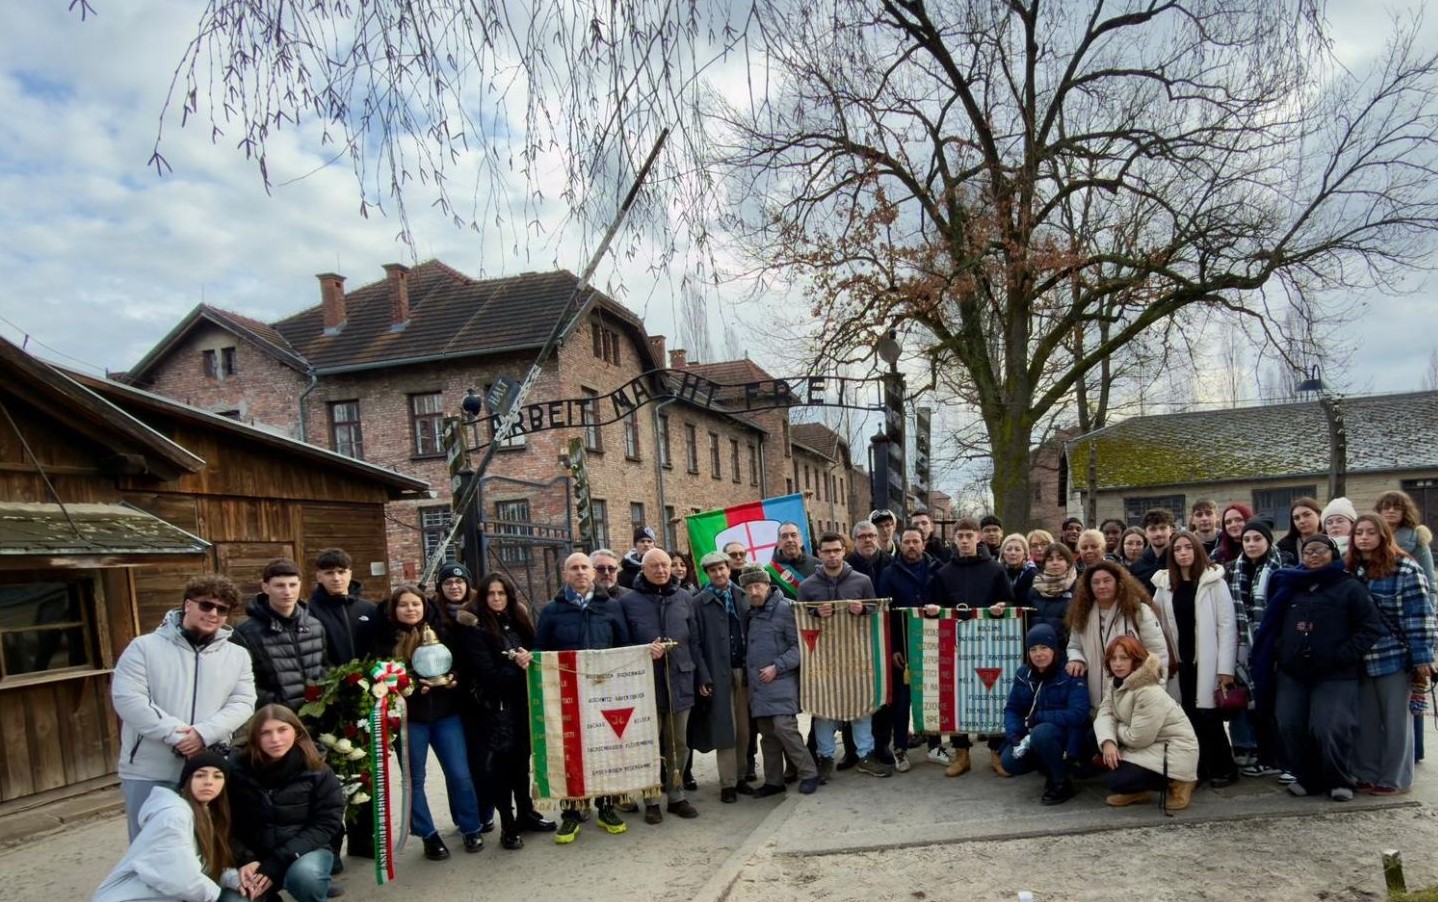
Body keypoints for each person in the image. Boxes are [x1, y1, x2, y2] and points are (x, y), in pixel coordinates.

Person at [112, 575, 256, 841]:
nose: (213, 613)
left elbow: (243, 701)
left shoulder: (237, 656)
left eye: (222, 609)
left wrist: (203, 734)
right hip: (150, 767)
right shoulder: (144, 648)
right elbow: (129, 699)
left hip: (206, 768)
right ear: (187, 604)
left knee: (205, 844)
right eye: (206, 605)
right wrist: (178, 736)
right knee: (149, 847)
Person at [1251, 534, 1385, 802]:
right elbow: (1272, 625)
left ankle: (1339, 779)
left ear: (1333, 553)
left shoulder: (1349, 586)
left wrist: (1341, 654)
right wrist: (1281, 650)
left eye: (1320, 550)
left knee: (1329, 727)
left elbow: (1371, 628)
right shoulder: (1290, 585)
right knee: (1289, 724)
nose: (1313, 555)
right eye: (1308, 550)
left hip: (1335, 673)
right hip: (1293, 673)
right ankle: (1307, 777)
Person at [373, 585, 483, 860]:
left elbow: (459, 664)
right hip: (410, 720)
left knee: (460, 773)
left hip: (446, 715)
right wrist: (407, 683)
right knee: (414, 779)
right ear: (394, 609)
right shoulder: (385, 641)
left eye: (416, 604)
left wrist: (454, 678)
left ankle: (471, 826)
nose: (411, 609)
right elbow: (379, 676)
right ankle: (427, 834)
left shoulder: (441, 632)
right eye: (404, 605)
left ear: (424, 606)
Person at [451, 573, 555, 852]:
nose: (497, 598)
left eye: (502, 593)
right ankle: (508, 825)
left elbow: (536, 648)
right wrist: (518, 665)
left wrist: (530, 656)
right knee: (501, 770)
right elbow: (487, 675)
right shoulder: (473, 627)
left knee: (522, 764)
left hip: (522, 704)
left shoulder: (517, 619)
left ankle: (526, 814)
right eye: (491, 594)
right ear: (482, 597)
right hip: (494, 709)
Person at [535, 552, 632, 844]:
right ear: (565, 575)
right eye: (573, 568)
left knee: (604, 750)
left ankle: (606, 808)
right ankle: (572, 814)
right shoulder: (552, 611)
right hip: (567, 694)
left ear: (593, 573)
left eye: (584, 568)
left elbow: (624, 647)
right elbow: (541, 651)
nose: (579, 573)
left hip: (604, 693)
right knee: (571, 754)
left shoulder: (611, 607)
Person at [1348, 514, 1436, 794]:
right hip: (1361, 658)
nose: (1364, 537)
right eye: (1359, 532)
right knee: (1367, 721)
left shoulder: (1406, 569)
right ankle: (1366, 773)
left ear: (1383, 535)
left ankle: (1393, 779)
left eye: (1370, 532)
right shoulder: (1351, 570)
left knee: (1396, 722)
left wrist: (1423, 659)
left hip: (1395, 656)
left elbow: (1420, 615)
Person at [621, 548, 707, 823]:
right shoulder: (629, 601)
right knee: (649, 744)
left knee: (678, 743)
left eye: (665, 565)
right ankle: (651, 798)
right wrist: (642, 650)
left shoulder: (684, 598)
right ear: (643, 570)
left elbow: (694, 641)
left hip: (680, 679)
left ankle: (676, 795)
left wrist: (702, 676)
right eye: (654, 566)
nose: (661, 570)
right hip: (646, 683)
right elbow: (621, 644)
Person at [93, 751, 247, 902]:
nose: (208, 781)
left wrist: (232, 878)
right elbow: (180, 878)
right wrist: (215, 895)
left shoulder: (205, 814)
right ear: (187, 781)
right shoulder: (173, 817)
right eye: (200, 775)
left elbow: (200, 867)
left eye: (217, 776)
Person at [800, 532, 893, 779]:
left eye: (836, 550)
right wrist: (815, 613)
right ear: (819, 554)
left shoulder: (861, 581)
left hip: (855, 655)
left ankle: (865, 755)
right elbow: (799, 620)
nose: (832, 555)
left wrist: (863, 608)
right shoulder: (807, 586)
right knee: (823, 709)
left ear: (844, 551)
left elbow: (876, 611)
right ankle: (825, 757)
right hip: (821, 657)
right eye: (826, 551)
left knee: (861, 705)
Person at [228, 706, 344, 902]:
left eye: (282, 730)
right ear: (254, 737)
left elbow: (327, 821)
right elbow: (224, 821)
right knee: (234, 899)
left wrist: (278, 860)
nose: (275, 739)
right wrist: (244, 859)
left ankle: (315, 889)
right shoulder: (236, 770)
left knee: (306, 878)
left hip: (304, 850)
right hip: (254, 857)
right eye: (266, 732)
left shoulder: (317, 769)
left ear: (296, 732)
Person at [927, 518, 1014, 775]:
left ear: (979, 538)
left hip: (992, 645)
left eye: (969, 535)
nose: (964, 541)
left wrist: (1003, 608)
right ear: (954, 539)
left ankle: (996, 753)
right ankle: (961, 754)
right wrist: (934, 610)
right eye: (960, 536)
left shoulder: (996, 570)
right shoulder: (943, 573)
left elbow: (1010, 602)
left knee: (994, 695)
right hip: (956, 647)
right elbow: (936, 608)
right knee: (958, 697)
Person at [1152, 531, 1238, 787]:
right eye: (1177, 549)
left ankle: (1225, 768)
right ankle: (1197, 770)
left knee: (1209, 717)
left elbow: (1227, 627)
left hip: (1207, 661)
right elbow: (1157, 622)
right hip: (1180, 662)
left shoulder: (1213, 581)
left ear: (1197, 550)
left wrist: (1225, 668)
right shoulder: (1165, 583)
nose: (1183, 553)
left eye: (1188, 548)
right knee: (1186, 718)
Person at [1093, 636, 1200, 810]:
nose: (1117, 663)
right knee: (1093, 737)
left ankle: (1180, 782)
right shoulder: (1117, 683)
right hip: (1147, 744)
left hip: (1173, 751)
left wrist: (1115, 728)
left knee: (1116, 781)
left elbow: (1138, 738)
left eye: (1124, 658)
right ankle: (1137, 790)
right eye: (1113, 658)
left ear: (1135, 660)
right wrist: (1108, 741)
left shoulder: (1148, 690)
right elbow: (1104, 713)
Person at [741, 565, 820, 796]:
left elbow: (801, 646)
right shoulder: (751, 612)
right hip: (759, 684)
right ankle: (774, 781)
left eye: (758, 585)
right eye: (749, 587)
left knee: (785, 727)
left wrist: (778, 667)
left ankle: (809, 773)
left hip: (781, 679)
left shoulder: (786, 609)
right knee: (768, 735)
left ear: (767, 585)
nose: (754, 591)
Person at [993, 624, 1088, 805]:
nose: (1039, 654)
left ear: (1054, 650)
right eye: (1033, 649)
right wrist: (1013, 735)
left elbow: (1079, 713)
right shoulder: (1023, 674)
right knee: (1008, 761)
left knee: (1042, 732)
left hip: (1066, 736)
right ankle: (1049, 767)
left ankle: (1061, 781)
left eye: (1044, 648)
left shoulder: (1069, 672)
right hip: (1034, 735)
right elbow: (1012, 708)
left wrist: (1041, 717)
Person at [1224, 520, 1289, 776]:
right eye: (1247, 540)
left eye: (1257, 539)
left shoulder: (1282, 570)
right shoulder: (1233, 570)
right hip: (1243, 644)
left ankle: (1279, 758)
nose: (1251, 544)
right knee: (1251, 701)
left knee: (1274, 704)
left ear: (1268, 541)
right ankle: (1255, 753)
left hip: (1273, 643)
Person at [1376, 488, 1436, 765]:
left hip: (1410, 619)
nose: (1390, 512)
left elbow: (1429, 581)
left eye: (1395, 508)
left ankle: (1416, 751)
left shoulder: (1416, 540)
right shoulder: (1370, 539)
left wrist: (1428, 621)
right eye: (1386, 507)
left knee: (1414, 693)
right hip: (1381, 629)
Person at [1065, 561, 1169, 716]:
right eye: (1096, 582)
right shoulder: (1082, 614)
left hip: (1133, 699)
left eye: (1107, 581)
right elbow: (1074, 646)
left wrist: (1157, 691)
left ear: (1119, 583)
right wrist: (1076, 659)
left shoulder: (1138, 611)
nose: (1101, 586)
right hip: (1095, 698)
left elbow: (1157, 653)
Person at [688, 551, 752, 802]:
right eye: (712, 570)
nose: (718, 574)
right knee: (726, 728)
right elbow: (695, 643)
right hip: (717, 671)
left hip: (743, 670)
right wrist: (703, 676)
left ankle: (742, 775)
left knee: (744, 730)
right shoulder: (699, 602)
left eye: (721, 568)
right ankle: (728, 783)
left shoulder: (742, 595)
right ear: (707, 574)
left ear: (729, 569)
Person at [877, 524, 940, 773]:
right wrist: (893, 648)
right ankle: (900, 748)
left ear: (924, 543)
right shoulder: (889, 573)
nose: (911, 546)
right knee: (902, 703)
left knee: (932, 698)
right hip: (903, 647)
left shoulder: (937, 569)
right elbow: (885, 615)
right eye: (907, 542)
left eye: (916, 541)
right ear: (900, 545)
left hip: (933, 644)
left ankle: (935, 746)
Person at [230, 559, 327, 712]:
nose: (288, 592)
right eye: (280, 585)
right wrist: (276, 703)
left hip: (317, 717)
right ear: (265, 587)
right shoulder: (246, 631)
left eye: (293, 585)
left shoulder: (315, 625)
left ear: (300, 585)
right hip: (275, 720)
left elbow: (324, 666)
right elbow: (239, 682)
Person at [307, 548, 380, 672]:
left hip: (371, 682)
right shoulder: (310, 613)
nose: (336, 578)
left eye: (341, 572)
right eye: (329, 573)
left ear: (350, 574)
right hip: (330, 684)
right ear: (319, 577)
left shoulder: (370, 609)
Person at [1025, 542, 1078, 644]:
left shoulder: (1077, 588)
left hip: (1067, 650)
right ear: (1044, 564)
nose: (1055, 563)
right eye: (1050, 559)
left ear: (1068, 562)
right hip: (1038, 649)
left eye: (1060, 558)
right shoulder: (1035, 589)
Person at [1131, 508, 1175, 594]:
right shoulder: (1136, 566)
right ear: (1145, 533)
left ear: (1171, 530)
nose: (1158, 533)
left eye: (1162, 528)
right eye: (1152, 529)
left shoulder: (1178, 560)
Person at [772, 521, 821, 586]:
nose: (790, 540)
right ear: (779, 542)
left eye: (793, 535)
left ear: (801, 540)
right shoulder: (771, 571)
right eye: (784, 536)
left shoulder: (818, 566)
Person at [1275, 496, 1324, 561]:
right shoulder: (1283, 547)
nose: (1302, 521)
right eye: (1296, 518)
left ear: (1319, 515)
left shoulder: (1332, 541)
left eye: (1307, 515)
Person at [847, 520, 892, 585]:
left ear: (877, 538)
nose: (867, 540)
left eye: (871, 535)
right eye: (862, 536)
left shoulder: (891, 563)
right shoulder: (846, 567)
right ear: (854, 541)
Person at [1000, 533, 1038, 604]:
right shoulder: (997, 574)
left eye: (1017, 549)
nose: (1013, 553)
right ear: (1003, 554)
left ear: (1025, 554)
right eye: (1008, 549)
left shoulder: (1034, 576)